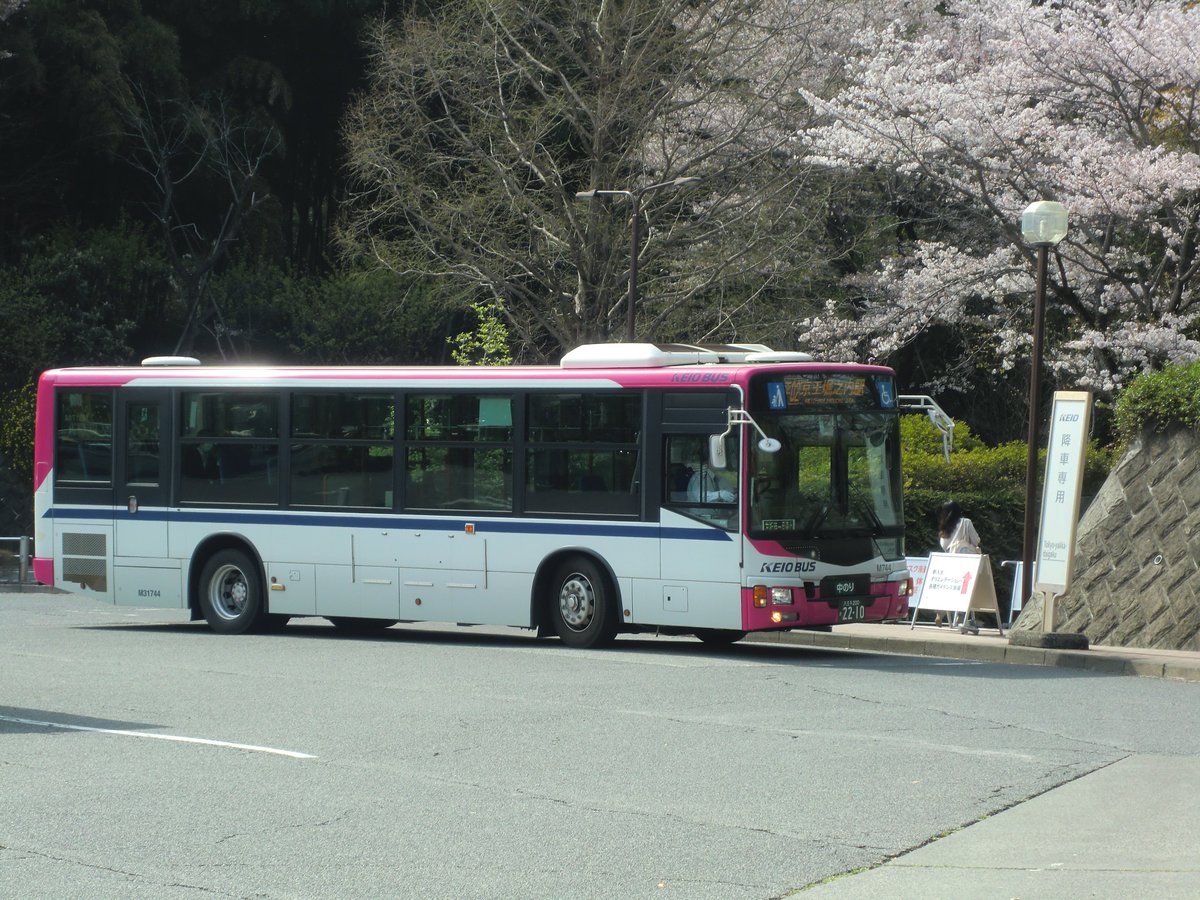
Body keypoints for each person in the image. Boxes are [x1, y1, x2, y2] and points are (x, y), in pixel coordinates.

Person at [936, 500, 982, 631]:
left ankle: (941, 610)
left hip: (950, 563)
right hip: (966, 563)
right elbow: (976, 540)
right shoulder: (966, 522)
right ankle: (960, 616)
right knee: (964, 590)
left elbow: (945, 546)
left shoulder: (944, 529)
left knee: (951, 588)